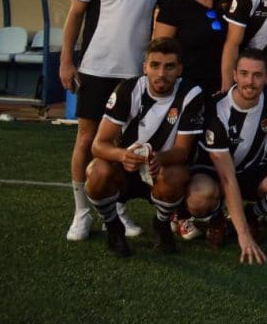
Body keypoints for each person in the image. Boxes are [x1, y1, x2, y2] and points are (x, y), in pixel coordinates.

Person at [61, 0, 175, 242]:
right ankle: (81, 211)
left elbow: (164, 20)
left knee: (123, 146)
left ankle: (117, 207)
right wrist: (67, 61)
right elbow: (75, 15)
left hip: (133, 77)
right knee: (86, 138)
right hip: (96, 68)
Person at [82, 38, 203, 258]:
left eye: (169, 66)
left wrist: (158, 158)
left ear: (179, 70)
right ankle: (113, 227)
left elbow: (183, 151)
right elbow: (98, 145)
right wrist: (122, 155)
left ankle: (161, 224)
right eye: (155, 65)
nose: (161, 74)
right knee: (96, 171)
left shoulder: (191, 94)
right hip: (124, 170)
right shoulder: (128, 89)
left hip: (160, 172)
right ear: (144, 67)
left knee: (177, 174)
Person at [184, 49, 267, 262]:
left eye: (257, 75)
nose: (250, 81)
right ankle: (217, 216)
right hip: (214, 176)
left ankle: (251, 215)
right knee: (198, 198)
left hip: (249, 171)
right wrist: (244, 236)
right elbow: (227, 178)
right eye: (244, 74)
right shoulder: (216, 111)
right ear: (235, 75)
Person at [152, 0, 227, 94]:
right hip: (182, 90)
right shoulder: (173, 5)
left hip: (217, 90)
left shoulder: (225, 4)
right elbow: (159, 50)